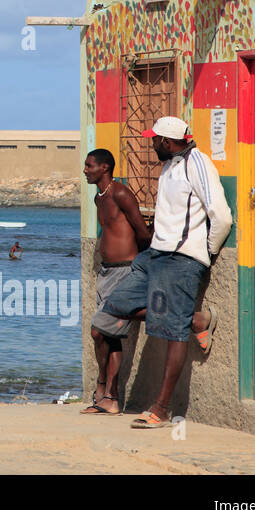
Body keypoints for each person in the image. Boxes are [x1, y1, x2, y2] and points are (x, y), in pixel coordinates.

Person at [93, 117, 229, 428]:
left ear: (167, 142)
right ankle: (197, 320)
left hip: (181, 259)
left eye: (154, 140)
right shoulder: (168, 166)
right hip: (154, 255)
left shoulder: (197, 163)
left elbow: (220, 215)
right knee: (113, 307)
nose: (151, 144)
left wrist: (205, 253)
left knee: (172, 333)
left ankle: (161, 409)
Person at [80, 148, 151, 416]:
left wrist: (139, 265)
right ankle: (110, 398)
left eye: (89, 166)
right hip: (106, 273)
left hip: (125, 272)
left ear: (105, 167)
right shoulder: (100, 198)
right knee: (110, 336)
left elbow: (142, 231)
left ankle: (105, 389)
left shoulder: (119, 193)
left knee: (99, 330)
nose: (85, 170)